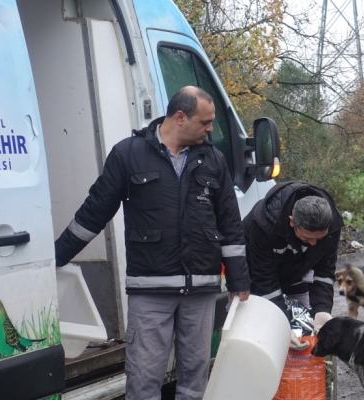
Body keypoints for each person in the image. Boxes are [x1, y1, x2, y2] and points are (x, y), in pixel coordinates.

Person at [54, 86, 250, 400]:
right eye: (205, 122)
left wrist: (240, 282)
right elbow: (94, 212)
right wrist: (56, 257)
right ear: (180, 117)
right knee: (144, 379)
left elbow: (230, 225)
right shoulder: (127, 154)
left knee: (194, 379)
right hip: (150, 289)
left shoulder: (214, 160)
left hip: (200, 289)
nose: (210, 129)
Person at [242, 182, 344, 350]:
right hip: (255, 281)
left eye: (319, 239)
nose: (313, 243)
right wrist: (281, 324)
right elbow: (264, 279)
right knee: (263, 339)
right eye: (307, 238)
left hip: (297, 275)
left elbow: (324, 271)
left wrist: (322, 310)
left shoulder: (332, 226)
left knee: (303, 333)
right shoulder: (261, 224)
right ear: (292, 222)